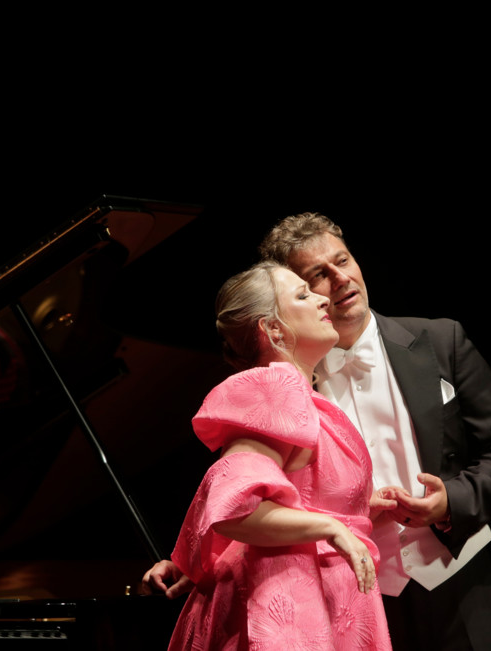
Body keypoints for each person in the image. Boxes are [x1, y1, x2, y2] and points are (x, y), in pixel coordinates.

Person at [144, 213, 491, 651]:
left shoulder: (440, 340)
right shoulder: (286, 381)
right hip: (355, 598)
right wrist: (201, 559)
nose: (340, 279)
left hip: (460, 581)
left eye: (343, 260)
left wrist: (451, 501)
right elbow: (241, 493)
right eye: (315, 277)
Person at [161, 260, 393, 650]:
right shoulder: (277, 384)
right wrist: (332, 528)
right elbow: (237, 509)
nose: (322, 299)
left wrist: (364, 505)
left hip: (318, 594)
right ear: (272, 329)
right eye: (303, 295)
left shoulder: (303, 398)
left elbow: (299, 494)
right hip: (288, 604)